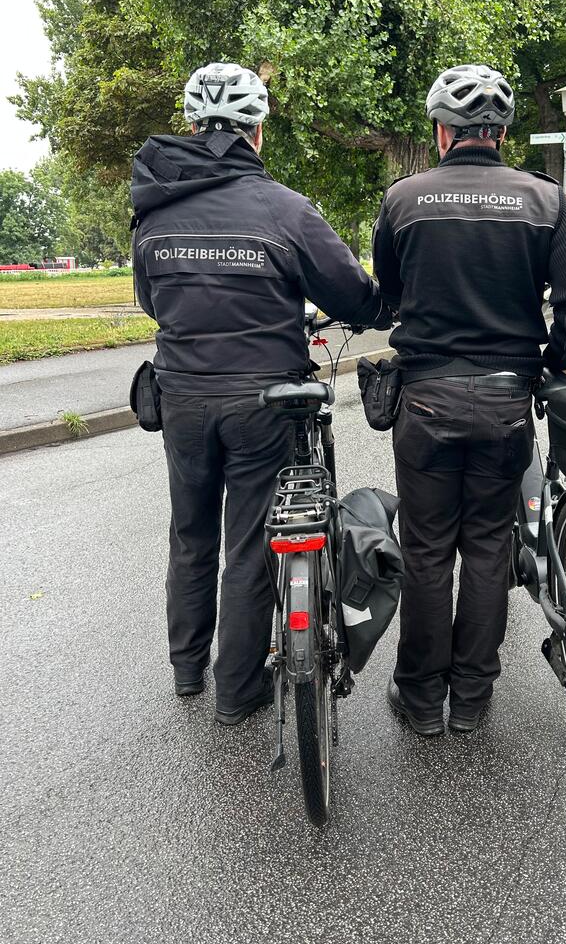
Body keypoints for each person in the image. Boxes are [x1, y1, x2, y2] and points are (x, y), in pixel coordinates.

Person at [131, 62, 391, 725]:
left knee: (190, 535)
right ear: (257, 129)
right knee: (248, 546)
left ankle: (187, 670)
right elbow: (351, 294)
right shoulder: (283, 207)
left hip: (183, 396)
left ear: (191, 126)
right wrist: (371, 308)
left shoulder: (153, 208)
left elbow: (148, 300)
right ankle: (237, 692)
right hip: (263, 401)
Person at [373, 63, 566, 736]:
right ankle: (472, 699)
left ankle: (419, 700)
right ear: (500, 133)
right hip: (505, 402)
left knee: (427, 552)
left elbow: (389, 292)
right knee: (485, 551)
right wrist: (551, 362)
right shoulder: (547, 201)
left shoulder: (403, 199)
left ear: (442, 132)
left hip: (425, 402)